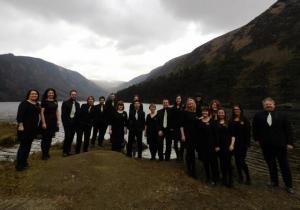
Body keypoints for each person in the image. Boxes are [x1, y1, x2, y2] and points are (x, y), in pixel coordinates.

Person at [253, 97, 294, 194]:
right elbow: (255, 128)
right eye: (266, 104)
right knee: (271, 164)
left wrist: (290, 143)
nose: (268, 105)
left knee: (284, 165)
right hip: (266, 145)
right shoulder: (258, 115)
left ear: (274, 105)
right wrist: (256, 139)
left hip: (280, 145)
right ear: (263, 106)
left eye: (270, 104)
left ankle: (289, 185)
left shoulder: (283, 115)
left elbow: (288, 130)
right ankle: (274, 181)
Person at [15, 89, 41, 171]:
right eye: (32, 94)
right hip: (24, 128)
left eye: (36, 94)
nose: (34, 95)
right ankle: (19, 166)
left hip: (33, 128)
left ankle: (24, 163)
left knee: (28, 146)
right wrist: (21, 125)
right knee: (23, 146)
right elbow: (20, 115)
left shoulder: (37, 104)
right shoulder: (24, 103)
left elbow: (38, 115)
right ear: (29, 95)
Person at [229, 104, 251, 185]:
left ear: (241, 110)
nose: (236, 111)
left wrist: (247, 144)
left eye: (237, 109)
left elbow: (248, 133)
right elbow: (230, 133)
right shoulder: (231, 120)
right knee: (237, 161)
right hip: (234, 144)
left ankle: (248, 178)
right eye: (234, 109)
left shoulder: (245, 120)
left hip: (243, 144)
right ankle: (240, 177)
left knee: (242, 161)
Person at [197, 107, 219, 186]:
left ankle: (215, 179)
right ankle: (208, 177)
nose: (204, 113)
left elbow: (216, 134)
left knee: (213, 163)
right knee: (205, 162)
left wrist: (217, 145)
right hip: (202, 146)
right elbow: (197, 134)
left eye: (206, 111)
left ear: (208, 113)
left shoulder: (212, 122)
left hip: (212, 145)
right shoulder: (199, 121)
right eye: (203, 111)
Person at [216, 108, 233, 187]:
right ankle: (224, 179)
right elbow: (214, 135)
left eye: (222, 113)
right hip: (220, 146)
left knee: (228, 163)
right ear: (217, 114)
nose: (221, 114)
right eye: (219, 113)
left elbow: (233, 135)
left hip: (228, 145)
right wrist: (216, 146)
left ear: (224, 114)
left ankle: (230, 180)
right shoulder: (216, 123)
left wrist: (232, 145)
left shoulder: (229, 122)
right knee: (222, 163)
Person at [180, 98, 198, 177]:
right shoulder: (184, 112)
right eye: (189, 103)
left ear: (194, 104)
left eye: (191, 103)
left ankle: (193, 170)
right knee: (188, 152)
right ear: (187, 104)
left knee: (192, 153)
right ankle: (189, 169)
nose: (190, 105)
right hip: (187, 135)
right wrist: (183, 135)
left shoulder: (196, 113)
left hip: (194, 135)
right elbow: (181, 125)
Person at [40, 88, 59, 160]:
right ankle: (44, 155)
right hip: (46, 121)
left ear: (54, 94)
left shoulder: (55, 101)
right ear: (47, 94)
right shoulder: (44, 101)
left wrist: (58, 121)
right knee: (45, 138)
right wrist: (43, 123)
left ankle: (47, 153)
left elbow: (57, 111)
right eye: (49, 93)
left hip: (53, 122)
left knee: (50, 138)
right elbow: (41, 112)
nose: (51, 94)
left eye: (52, 93)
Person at [61, 90, 80, 157]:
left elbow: (78, 115)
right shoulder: (65, 103)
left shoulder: (77, 104)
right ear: (70, 95)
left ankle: (68, 151)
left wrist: (77, 124)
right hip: (67, 124)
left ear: (76, 95)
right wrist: (64, 124)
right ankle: (64, 152)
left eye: (75, 94)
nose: (74, 95)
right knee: (67, 137)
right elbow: (63, 115)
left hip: (74, 124)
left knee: (71, 137)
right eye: (72, 94)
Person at [171, 95, 185, 160]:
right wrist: (171, 127)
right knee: (175, 143)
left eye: (179, 98)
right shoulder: (173, 108)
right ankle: (177, 155)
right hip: (175, 127)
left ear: (181, 99)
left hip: (182, 127)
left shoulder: (184, 107)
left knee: (182, 143)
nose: (178, 100)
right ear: (175, 100)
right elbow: (171, 118)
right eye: (177, 99)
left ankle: (181, 155)